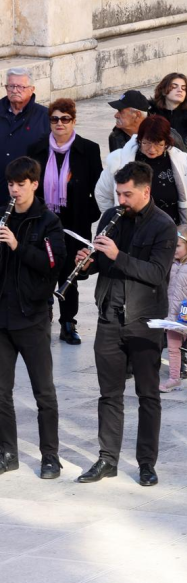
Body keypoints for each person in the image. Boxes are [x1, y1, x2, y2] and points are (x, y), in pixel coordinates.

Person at [75, 161, 178, 486]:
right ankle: (108, 459)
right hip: (109, 315)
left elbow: (156, 273)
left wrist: (118, 254)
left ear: (145, 191)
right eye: (118, 193)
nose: (121, 200)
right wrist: (88, 262)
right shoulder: (110, 217)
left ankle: (146, 463)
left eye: (127, 194)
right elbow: (101, 263)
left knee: (148, 394)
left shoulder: (164, 226)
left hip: (145, 320)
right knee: (109, 394)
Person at [0, 157, 66, 480]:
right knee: (0, 391)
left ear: (35, 184)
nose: (14, 190)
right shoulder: (3, 215)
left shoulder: (48, 222)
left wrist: (16, 246)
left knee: (44, 391)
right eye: (11, 184)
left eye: (20, 184)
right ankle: (8, 452)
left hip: (33, 317)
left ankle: (50, 456)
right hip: (3, 317)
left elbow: (52, 265)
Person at [28, 99, 102, 345]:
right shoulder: (37, 148)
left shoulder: (89, 149)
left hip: (75, 224)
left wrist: (89, 214)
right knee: (41, 271)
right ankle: (42, 317)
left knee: (69, 274)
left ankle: (68, 323)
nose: (59, 124)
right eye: (54, 119)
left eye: (65, 119)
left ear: (74, 120)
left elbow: (98, 188)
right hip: (43, 222)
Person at [96, 115, 187, 229]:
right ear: (139, 139)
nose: (152, 149)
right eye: (146, 143)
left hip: (171, 231)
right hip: (133, 231)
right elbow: (102, 193)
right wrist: (115, 218)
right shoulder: (119, 161)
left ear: (167, 142)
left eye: (159, 144)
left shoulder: (183, 162)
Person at [1, 68, 50, 205]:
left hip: (29, 198)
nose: (15, 90)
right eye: (11, 86)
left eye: (20, 86)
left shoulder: (45, 117)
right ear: (6, 88)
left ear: (32, 89)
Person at [161, 225, 187, 393]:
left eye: (178, 246)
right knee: (173, 348)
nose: (174, 249)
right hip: (172, 315)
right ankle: (174, 378)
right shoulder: (170, 264)